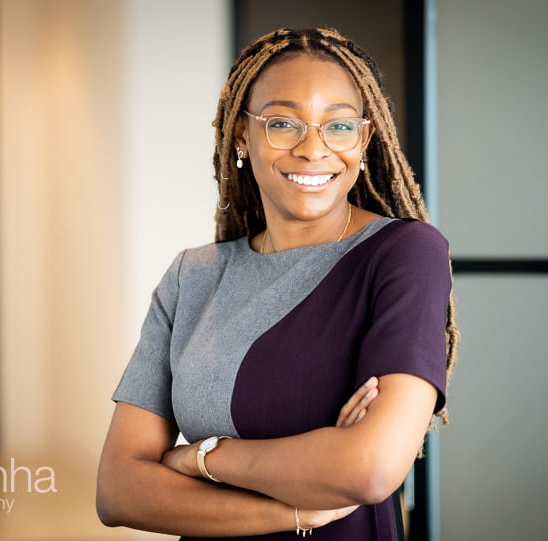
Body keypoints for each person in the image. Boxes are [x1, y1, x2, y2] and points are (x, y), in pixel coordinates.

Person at [97, 28, 459, 540]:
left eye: (337, 125)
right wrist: (293, 508)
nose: (314, 150)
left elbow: (372, 468)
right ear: (241, 135)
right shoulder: (192, 276)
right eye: (283, 123)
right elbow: (118, 490)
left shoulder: (404, 253)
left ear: (365, 138)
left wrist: (200, 457)